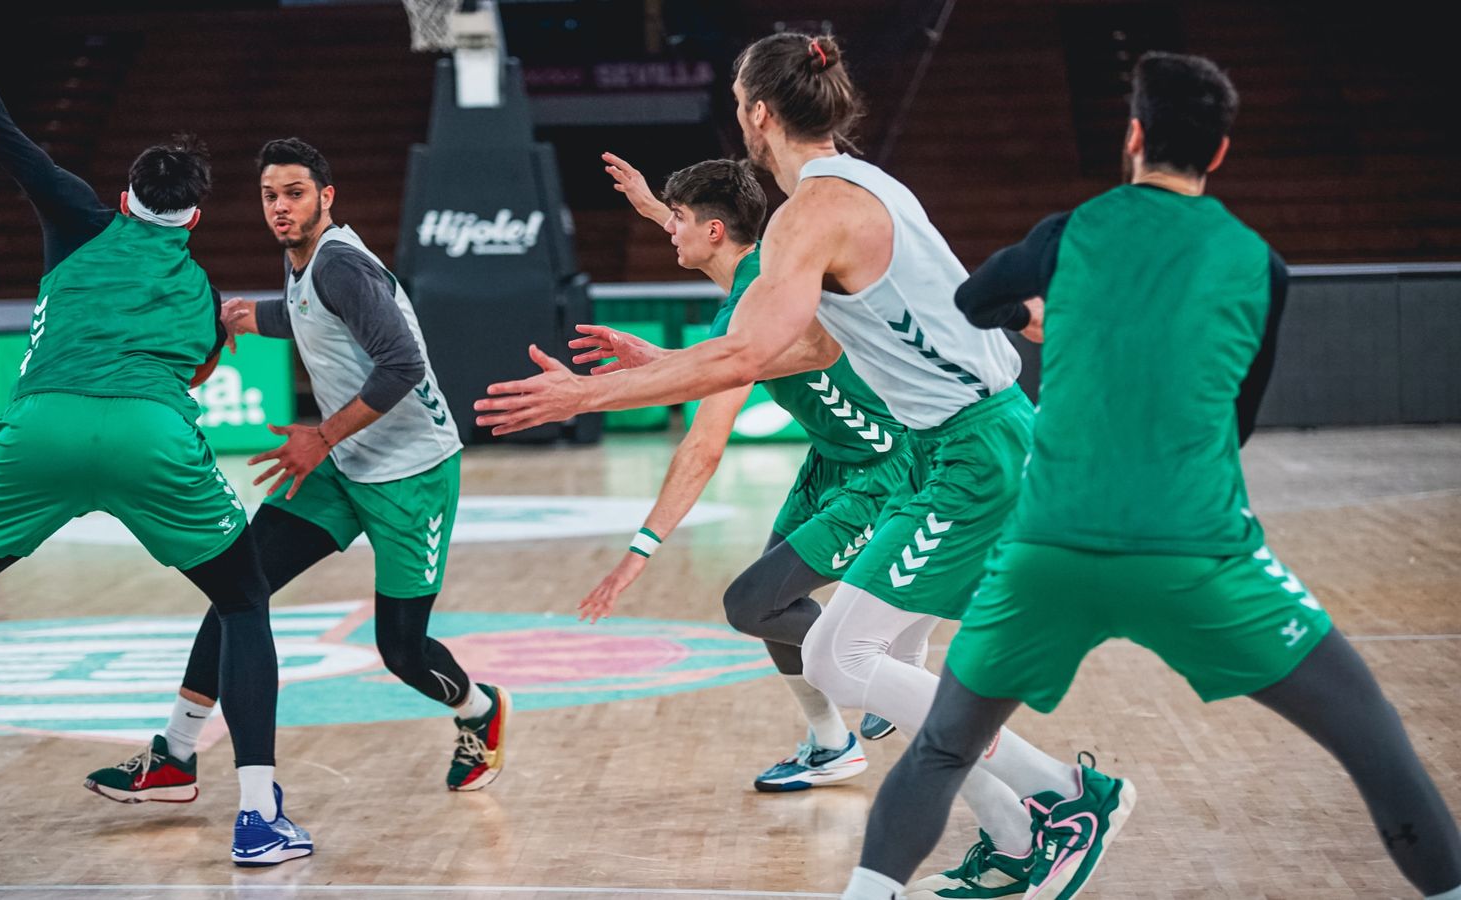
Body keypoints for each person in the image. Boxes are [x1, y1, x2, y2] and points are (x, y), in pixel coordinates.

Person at [475, 32, 1117, 898]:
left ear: (759, 114)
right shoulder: (850, 187)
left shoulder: (812, 215)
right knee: (871, 663)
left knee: (840, 659)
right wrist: (657, 366)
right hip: (949, 450)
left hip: (971, 453)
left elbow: (746, 353)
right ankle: (1012, 831)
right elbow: (810, 343)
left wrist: (583, 398)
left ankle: (1067, 797)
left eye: (738, 101)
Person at [840, 52, 1461, 900]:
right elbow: (1236, 422)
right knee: (1374, 740)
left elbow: (976, 299)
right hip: (1199, 553)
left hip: (1048, 555)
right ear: (1221, 153)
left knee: (944, 748)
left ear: (1133, 137)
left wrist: (1036, 315)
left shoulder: (1072, 232)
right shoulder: (1260, 264)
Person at [0, 0, 310, 867]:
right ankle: (259, 817)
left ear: (122, 199)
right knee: (243, 601)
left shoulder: (75, 217)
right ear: (195, 220)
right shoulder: (201, 292)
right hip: (153, 438)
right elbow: (195, 374)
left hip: (42, 428)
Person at [80, 138, 510, 801]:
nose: (280, 208)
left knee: (401, 650)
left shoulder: (341, 265)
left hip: (410, 475)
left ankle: (480, 711)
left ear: (326, 198)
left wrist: (320, 436)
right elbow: (315, 317)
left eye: (295, 194)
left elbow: (403, 366)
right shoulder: (304, 263)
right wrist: (252, 318)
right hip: (343, 463)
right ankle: (176, 753)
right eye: (270, 196)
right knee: (236, 587)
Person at [575, 154, 926, 790]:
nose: (670, 231)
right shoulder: (754, 269)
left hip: (886, 467)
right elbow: (718, 262)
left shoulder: (756, 293)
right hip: (833, 460)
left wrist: (638, 552)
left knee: (753, 604)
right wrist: (656, 207)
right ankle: (831, 744)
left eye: (677, 221)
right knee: (769, 603)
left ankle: (890, 672)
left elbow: (703, 447)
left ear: (711, 231)